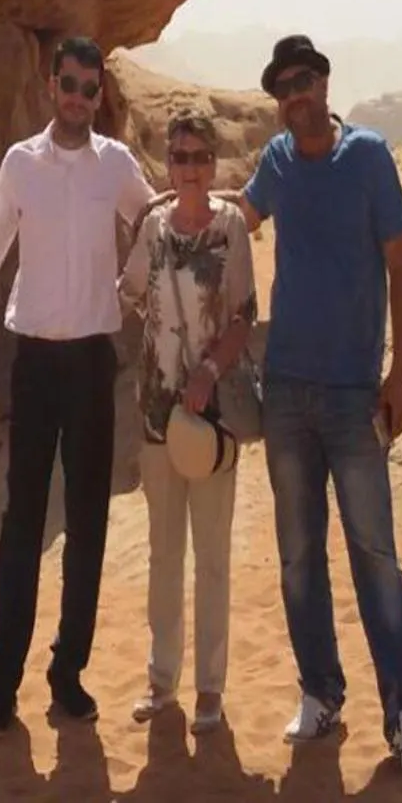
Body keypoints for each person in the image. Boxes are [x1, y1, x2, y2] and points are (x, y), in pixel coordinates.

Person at [228, 35, 402, 783]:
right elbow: (237, 221)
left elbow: (401, 267)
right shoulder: (278, 162)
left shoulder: (369, 157)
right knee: (296, 557)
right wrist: (174, 203)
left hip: (353, 393)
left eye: (304, 80)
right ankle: (321, 691)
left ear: (324, 82)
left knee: (375, 556)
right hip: (285, 390)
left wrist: (400, 373)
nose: (296, 94)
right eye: (283, 87)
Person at [0, 35, 156, 736]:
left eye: (91, 87)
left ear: (98, 95)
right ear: (51, 86)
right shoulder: (23, 164)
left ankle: (67, 673)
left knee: (88, 527)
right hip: (34, 364)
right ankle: (2, 686)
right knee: (22, 527)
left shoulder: (115, 163)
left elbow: (153, 220)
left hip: (91, 365)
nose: (80, 97)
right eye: (70, 84)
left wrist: (132, 285)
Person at [117, 111, 257, 737]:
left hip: (211, 415)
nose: (192, 168)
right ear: (167, 166)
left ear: (214, 164)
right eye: (180, 157)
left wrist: (205, 371)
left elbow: (243, 317)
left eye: (201, 157)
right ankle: (161, 679)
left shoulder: (230, 229)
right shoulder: (152, 226)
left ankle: (210, 688)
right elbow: (129, 296)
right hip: (156, 415)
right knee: (164, 552)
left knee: (213, 556)